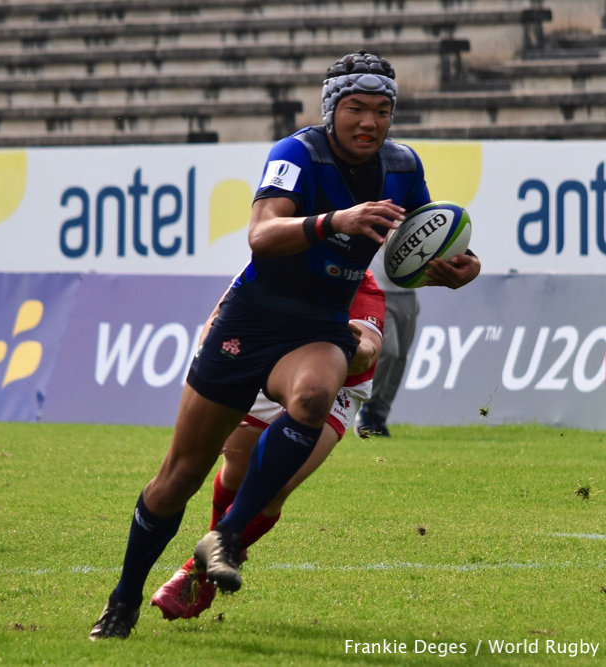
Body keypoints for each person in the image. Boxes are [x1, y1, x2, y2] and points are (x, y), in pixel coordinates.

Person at [89, 49, 481, 640]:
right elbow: (261, 234)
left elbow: (420, 243)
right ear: (331, 109)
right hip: (252, 319)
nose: (370, 122)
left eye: (382, 110)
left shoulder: (402, 166)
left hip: (319, 326)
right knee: (179, 476)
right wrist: (334, 221)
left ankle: (226, 535)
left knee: (314, 396)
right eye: (356, 108)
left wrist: (459, 268)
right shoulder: (297, 153)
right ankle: (123, 599)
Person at [149, 272, 384, 620]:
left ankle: (198, 573)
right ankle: (228, 541)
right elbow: (217, 320)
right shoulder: (274, 261)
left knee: (275, 485)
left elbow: (366, 353)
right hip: (270, 362)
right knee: (236, 470)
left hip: (335, 385)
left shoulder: (359, 282)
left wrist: (349, 343)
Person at [353, 250, 416, 437]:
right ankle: (366, 409)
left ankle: (379, 415)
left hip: (408, 291)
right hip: (378, 288)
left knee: (400, 357)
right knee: (388, 351)